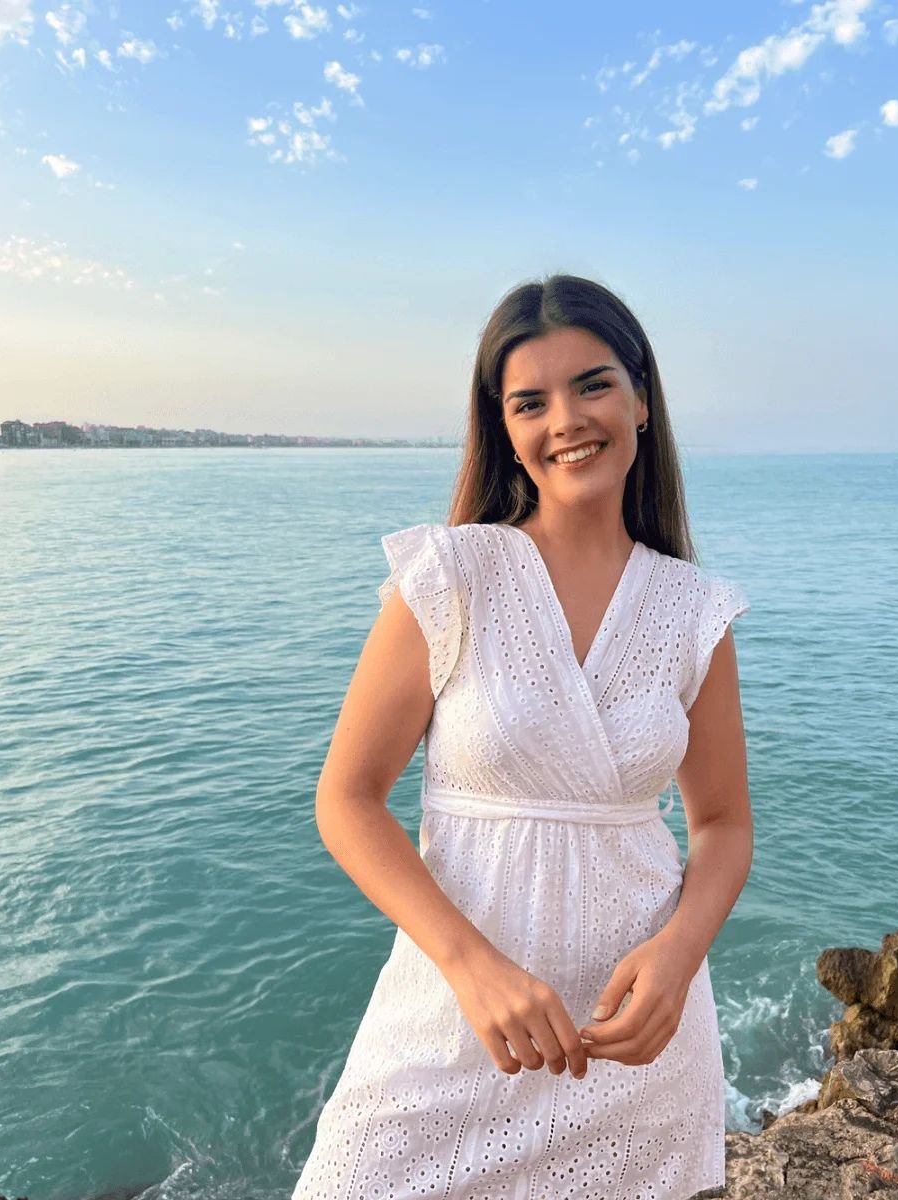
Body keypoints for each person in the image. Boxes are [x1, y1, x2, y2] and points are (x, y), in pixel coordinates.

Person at [291, 273, 753, 1199]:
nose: (566, 420)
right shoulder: (451, 575)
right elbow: (346, 800)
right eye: (529, 402)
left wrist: (678, 956)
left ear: (641, 400)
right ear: (504, 426)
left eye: (593, 384)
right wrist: (472, 967)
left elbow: (724, 824)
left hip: (636, 1047)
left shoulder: (693, 609)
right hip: (457, 1017)